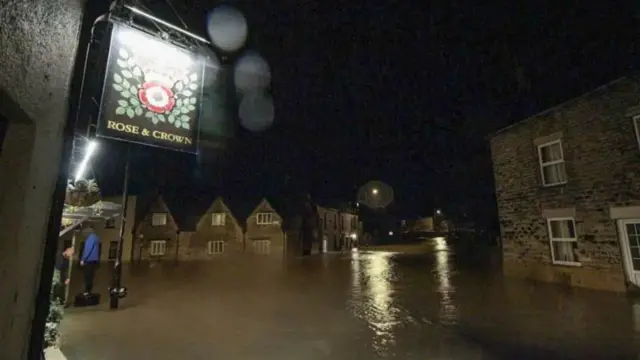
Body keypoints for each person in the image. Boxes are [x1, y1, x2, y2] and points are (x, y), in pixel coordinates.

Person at [80, 224, 100, 295]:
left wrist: (83, 259)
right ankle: (88, 291)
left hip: (89, 260)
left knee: (87, 276)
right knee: (90, 276)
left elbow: (88, 249)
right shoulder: (96, 237)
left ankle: (86, 291)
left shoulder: (91, 238)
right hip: (94, 260)